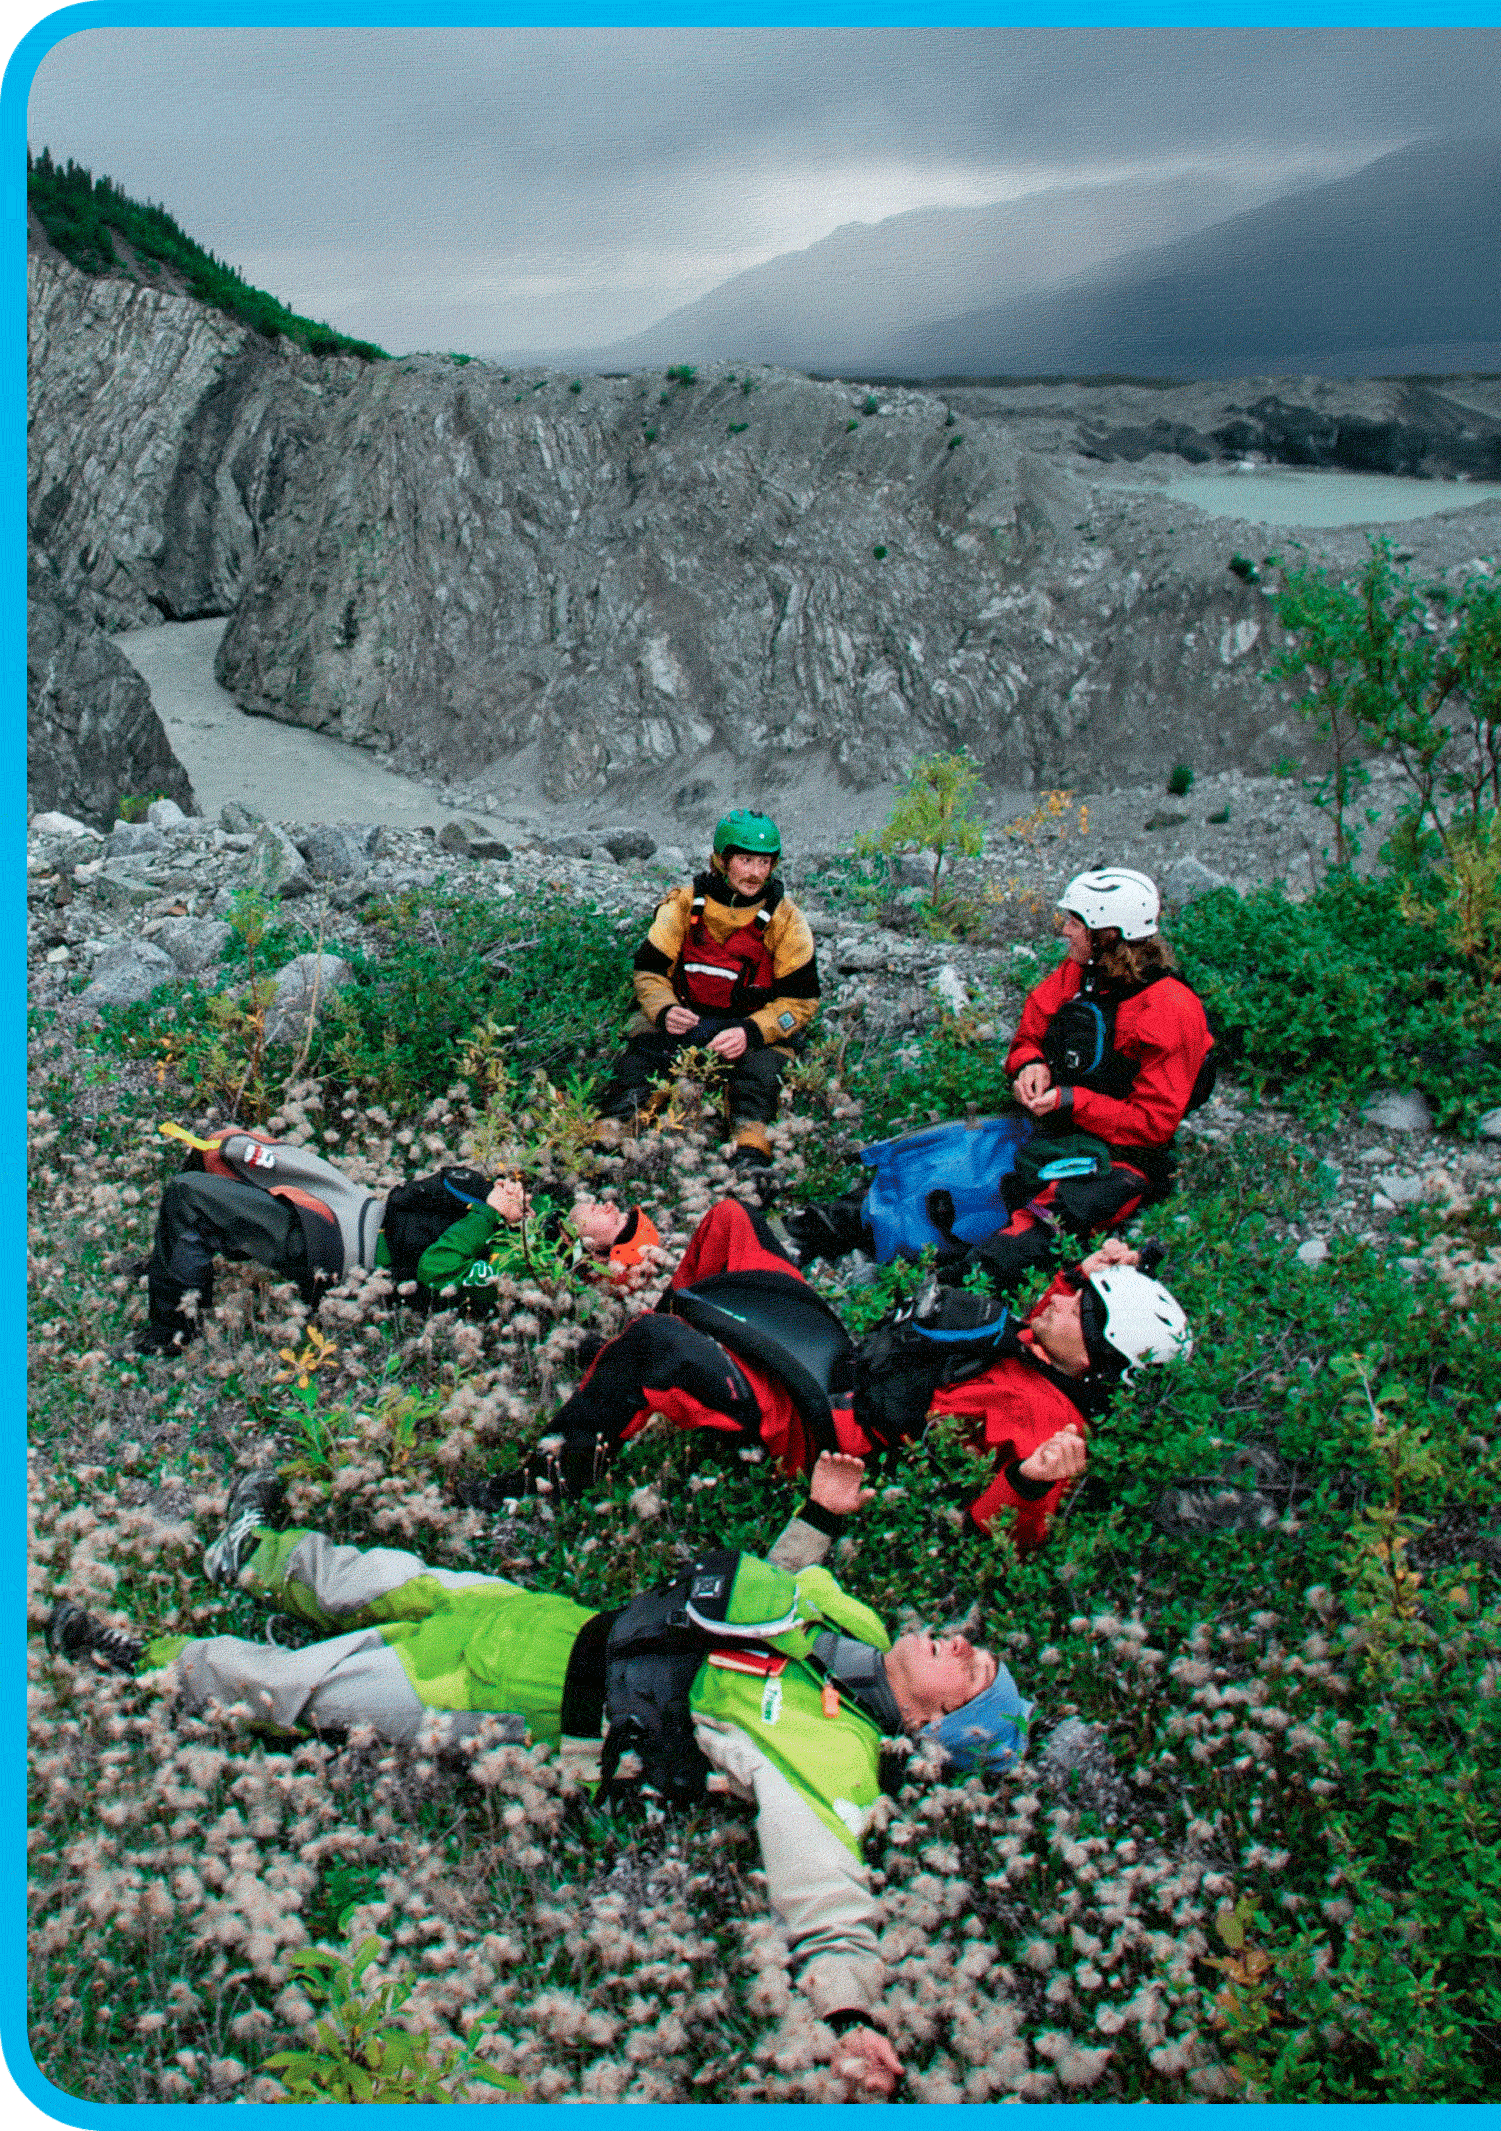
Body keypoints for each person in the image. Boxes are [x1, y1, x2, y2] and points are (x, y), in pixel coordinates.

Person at [45, 1453, 1032, 2099]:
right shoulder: (858, 1633)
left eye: (967, 1665)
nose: (956, 1639)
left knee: (298, 1685)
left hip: (513, 1699)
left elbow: (821, 1880)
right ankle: (252, 1551)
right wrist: (819, 1515)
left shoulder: (834, 1757)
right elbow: (766, 1600)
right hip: (555, 1618)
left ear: (937, 1721)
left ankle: (144, 1658)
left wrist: (849, 2015)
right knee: (379, 1573)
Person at [466, 1196, 1190, 1556]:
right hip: (838, 1360)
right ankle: (643, 1365)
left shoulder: (1050, 1427)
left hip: (814, 1428)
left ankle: (543, 1480)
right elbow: (1049, 1312)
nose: (1059, 1296)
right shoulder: (1044, 1345)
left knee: (656, 1348)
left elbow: (998, 1532)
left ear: (1092, 1355)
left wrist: (1029, 1482)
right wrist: (1086, 1268)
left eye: (1079, 1305)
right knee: (728, 1220)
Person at [785, 866, 1213, 1293]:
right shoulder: (1079, 974)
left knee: (1037, 1230)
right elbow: (1031, 1031)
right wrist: (1029, 1064)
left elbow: (1154, 1125)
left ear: (1109, 935)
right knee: (945, 1162)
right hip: (1054, 1126)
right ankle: (820, 1228)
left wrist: (1071, 1100)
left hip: (1122, 1158)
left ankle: (939, 1296)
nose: (1064, 931)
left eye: (1075, 923)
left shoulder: (1170, 1009)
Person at [135, 1123, 657, 1353]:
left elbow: (436, 1275)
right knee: (225, 1146)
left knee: (189, 1193)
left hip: (343, 1246)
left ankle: (172, 1333)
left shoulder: (528, 1270)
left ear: (597, 1253)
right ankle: (177, 1255)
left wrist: (490, 1217)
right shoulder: (539, 1213)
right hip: (359, 1201)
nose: (612, 1207)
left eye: (621, 1225)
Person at [593, 810, 820, 1186]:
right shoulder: (684, 904)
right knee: (644, 1054)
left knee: (760, 1073)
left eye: (764, 862)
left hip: (748, 1028)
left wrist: (752, 1032)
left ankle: (750, 1151)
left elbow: (800, 1002)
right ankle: (610, 1136)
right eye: (746, 860)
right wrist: (665, 1010)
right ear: (722, 860)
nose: (755, 872)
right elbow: (649, 972)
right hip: (689, 1018)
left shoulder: (787, 920)